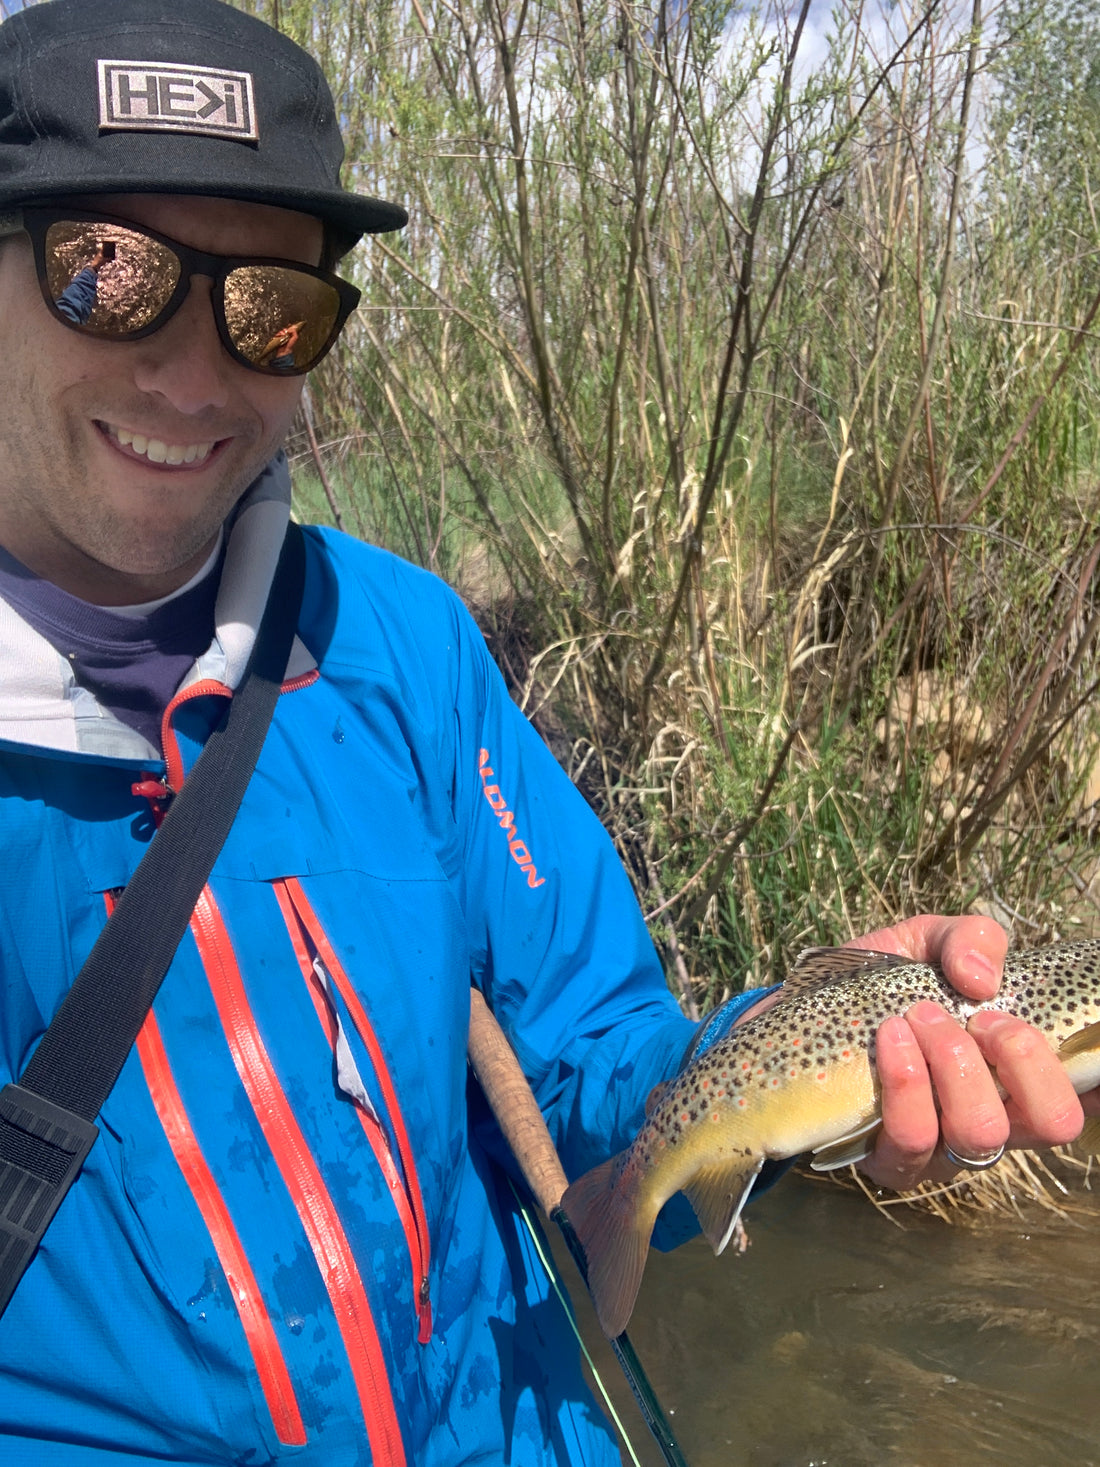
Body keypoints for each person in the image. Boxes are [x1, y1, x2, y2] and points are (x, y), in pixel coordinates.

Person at [0, 2, 1091, 1464]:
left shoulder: (402, 645)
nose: (198, 374)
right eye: (110, 275)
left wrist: (789, 1040)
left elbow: (595, 1048)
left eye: (273, 307)